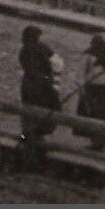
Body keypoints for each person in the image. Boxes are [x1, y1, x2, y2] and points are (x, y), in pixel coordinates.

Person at [18, 25, 62, 157]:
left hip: (31, 87)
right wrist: (55, 82)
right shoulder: (44, 48)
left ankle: (28, 142)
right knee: (41, 115)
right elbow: (59, 64)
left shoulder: (24, 51)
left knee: (29, 115)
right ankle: (35, 142)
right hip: (44, 87)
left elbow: (27, 68)